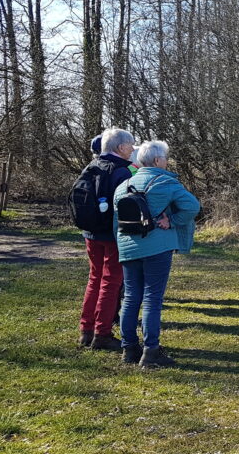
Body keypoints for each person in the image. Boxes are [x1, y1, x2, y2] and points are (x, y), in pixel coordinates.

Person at [114, 140, 200, 369]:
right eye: (165, 157)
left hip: (128, 247)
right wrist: (171, 221)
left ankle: (129, 348)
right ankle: (151, 351)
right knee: (152, 298)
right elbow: (193, 207)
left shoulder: (124, 185)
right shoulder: (165, 182)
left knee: (131, 297)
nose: (167, 161)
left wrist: (121, 245)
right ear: (156, 160)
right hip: (157, 247)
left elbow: (116, 221)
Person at [76, 128, 135, 350]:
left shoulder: (91, 167)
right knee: (111, 282)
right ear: (120, 147)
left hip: (90, 232)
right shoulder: (122, 171)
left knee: (95, 279)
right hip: (112, 234)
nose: (132, 149)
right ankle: (102, 334)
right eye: (130, 145)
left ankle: (86, 330)